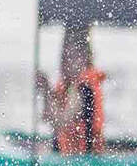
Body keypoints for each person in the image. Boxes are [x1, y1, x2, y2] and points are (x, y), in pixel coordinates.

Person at [35, 25, 105, 154]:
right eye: (64, 57)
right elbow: (47, 117)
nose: (66, 63)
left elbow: (60, 122)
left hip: (83, 160)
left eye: (72, 57)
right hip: (65, 155)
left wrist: (46, 89)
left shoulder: (84, 89)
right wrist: (46, 91)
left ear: (84, 59)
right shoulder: (66, 85)